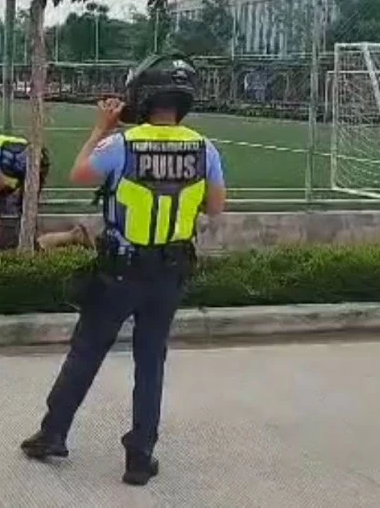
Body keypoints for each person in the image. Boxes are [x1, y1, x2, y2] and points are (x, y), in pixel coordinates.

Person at [19, 52, 226, 486]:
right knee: (151, 362)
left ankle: (53, 433)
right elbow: (216, 209)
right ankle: (140, 456)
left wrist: (102, 128)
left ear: (142, 97)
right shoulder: (204, 148)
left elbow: (78, 174)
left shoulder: (122, 145)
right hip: (169, 274)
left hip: (119, 272)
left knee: (87, 351)